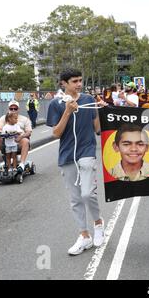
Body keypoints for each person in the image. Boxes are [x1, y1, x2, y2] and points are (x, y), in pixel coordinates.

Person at [46, 68, 106, 256]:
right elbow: (56, 133)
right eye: (74, 81)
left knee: (87, 194)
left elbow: (97, 128)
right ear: (63, 83)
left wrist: (102, 111)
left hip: (87, 151)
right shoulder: (56, 104)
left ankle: (98, 223)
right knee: (75, 199)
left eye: (80, 80)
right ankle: (84, 235)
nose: (79, 84)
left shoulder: (88, 100)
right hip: (66, 155)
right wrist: (67, 112)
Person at [0, 101, 32, 175]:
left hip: (18, 142)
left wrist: (21, 136)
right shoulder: (3, 118)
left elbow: (29, 132)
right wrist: (1, 133)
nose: (13, 110)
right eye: (11, 108)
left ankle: (22, 164)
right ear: (8, 109)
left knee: (26, 141)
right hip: (6, 142)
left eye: (15, 108)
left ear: (18, 109)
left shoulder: (25, 119)